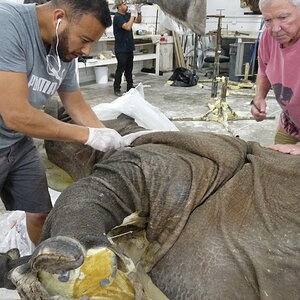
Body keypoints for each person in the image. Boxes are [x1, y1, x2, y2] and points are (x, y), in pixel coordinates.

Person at [0, 0, 132, 246]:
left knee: (41, 213)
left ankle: (45, 268)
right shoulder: (7, 24)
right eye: (84, 40)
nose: (87, 51)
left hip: (17, 143)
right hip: (13, 127)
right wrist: (86, 136)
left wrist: (105, 134)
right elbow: (15, 113)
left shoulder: (62, 47)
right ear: (59, 17)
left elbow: (74, 100)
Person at [251, 0, 300, 155]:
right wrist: (259, 97)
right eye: (268, 20)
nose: (275, 29)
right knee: (277, 167)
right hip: (290, 124)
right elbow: (264, 70)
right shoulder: (268, 36)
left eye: (283, 17)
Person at [113, 0, 142, 97]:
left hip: (129, 47)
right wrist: (133, 16)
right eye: (124, 4)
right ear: (119, 6)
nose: (126, 6)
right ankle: (116, 88)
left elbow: (138, 21)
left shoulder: (127, 15)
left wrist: (139, 12)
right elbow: (127, 27)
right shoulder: (117, 17)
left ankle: (130, 87)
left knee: (129, 69)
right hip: (121, 48)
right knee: (120, 69)